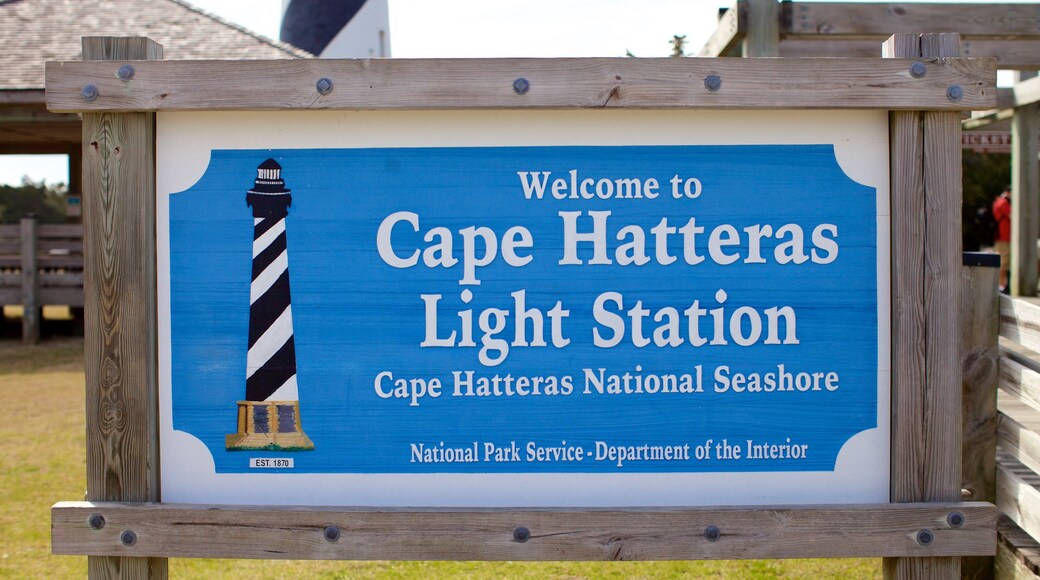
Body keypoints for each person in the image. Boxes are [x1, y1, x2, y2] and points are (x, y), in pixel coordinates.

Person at [993, 186, 1012, 293]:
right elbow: (1013, 216)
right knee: (1004, 262)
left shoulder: (998, 201)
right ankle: (1001, 286)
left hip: (1004, 236)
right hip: (1004, 237)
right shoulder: (1003, 202)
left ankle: (1003, 285)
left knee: (1004, 261)